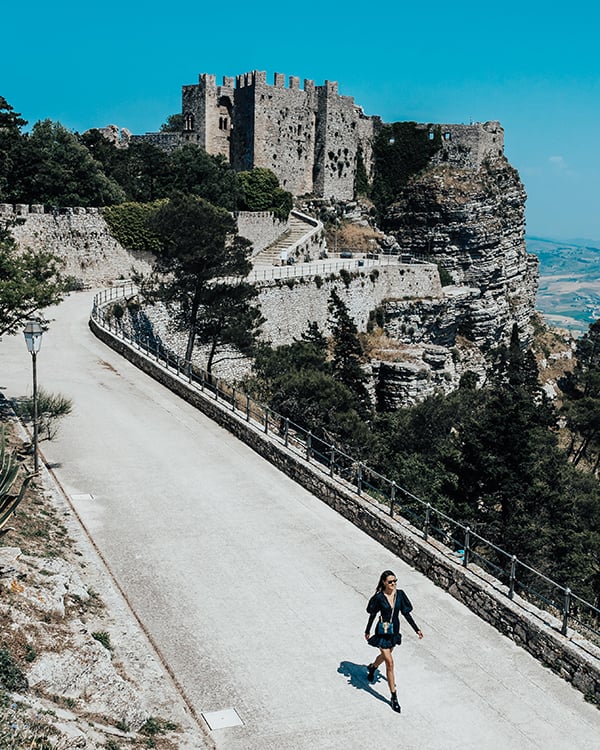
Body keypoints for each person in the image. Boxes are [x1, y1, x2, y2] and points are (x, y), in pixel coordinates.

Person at [364, 570, 423, 713]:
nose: (393, 584)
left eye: (395, 581)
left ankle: (372, 667)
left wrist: (416, 629)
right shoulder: (379, 598)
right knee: (390, 662)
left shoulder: (400, 595)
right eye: (390, 582)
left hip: (393, 632)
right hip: (382, 633)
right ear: (384, 582)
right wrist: (367, 631)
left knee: (386, 656)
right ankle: (393, 697)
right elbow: (372, 614)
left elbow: (406, 613)